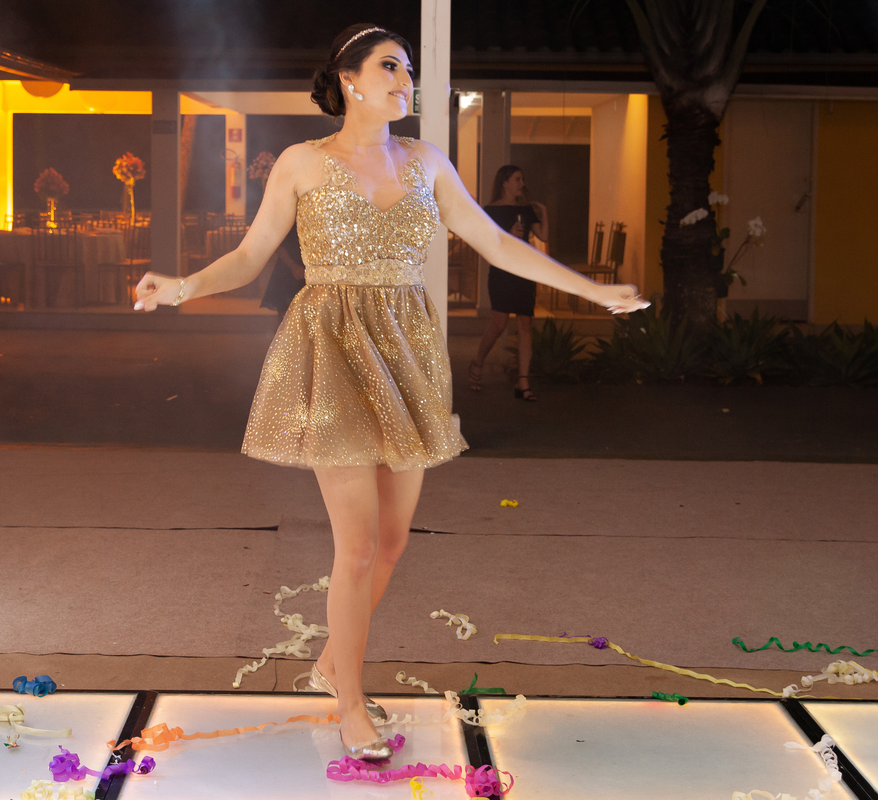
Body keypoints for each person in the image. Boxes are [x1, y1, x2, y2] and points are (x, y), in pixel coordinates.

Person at [133, 24, 647, 761]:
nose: (407, 82)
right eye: (393, 68)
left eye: (410, 71)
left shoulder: (426, 161)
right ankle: (348, 704)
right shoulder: (303, 164)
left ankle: (327, 664)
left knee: (395, 543)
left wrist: (591, 290)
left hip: (406, 346)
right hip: (332, 343)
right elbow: (251, 257)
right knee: (358, 543)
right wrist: (181, 286)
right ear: (351, 80)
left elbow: (497, 243)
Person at [468, 165, 548, 401]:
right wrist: (508, 234)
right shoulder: (490, 210)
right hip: (503, 272)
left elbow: (543, 236)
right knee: (499, 324)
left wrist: (544, 214)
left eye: (522, 179)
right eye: (517, 179)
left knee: (525, 324)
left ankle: (523, 383)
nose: (522, 184)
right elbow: (487, 244)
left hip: (524, 271)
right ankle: (477, 364)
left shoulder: (525, 208)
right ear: (505, 183)